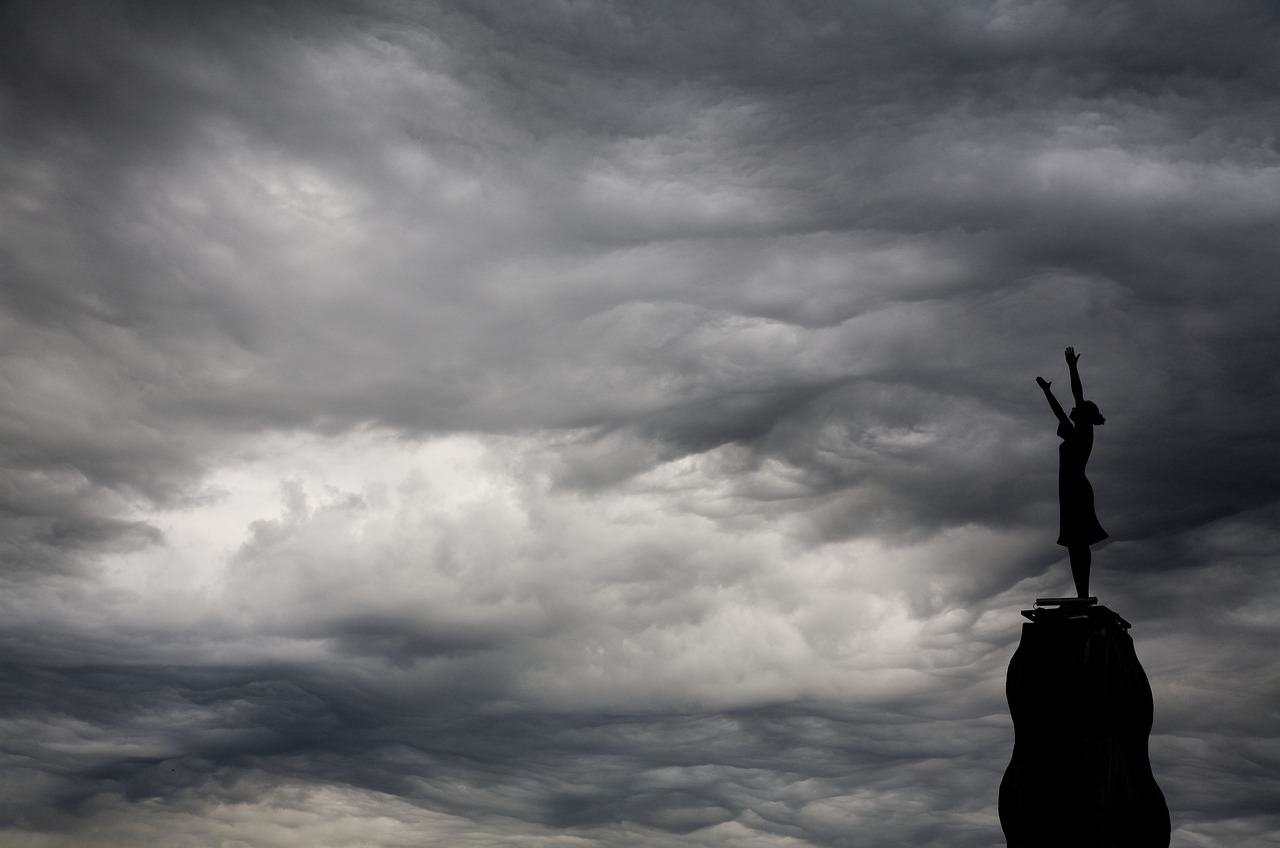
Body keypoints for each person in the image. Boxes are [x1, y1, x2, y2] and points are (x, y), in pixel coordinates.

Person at [1036, 347, 1107, 598]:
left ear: (1086, 415)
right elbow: (1058, 411)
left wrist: (1072, 367)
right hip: (1067, 492)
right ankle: (1081, 596)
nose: (1076, 407)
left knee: (1080, 542)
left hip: (1077, 488)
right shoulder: (1071, 431)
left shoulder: (1084, 432)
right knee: (1073, 545)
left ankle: (1084, 596)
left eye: (1082, 407)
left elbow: (1078, 394)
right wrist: (1047, 391)